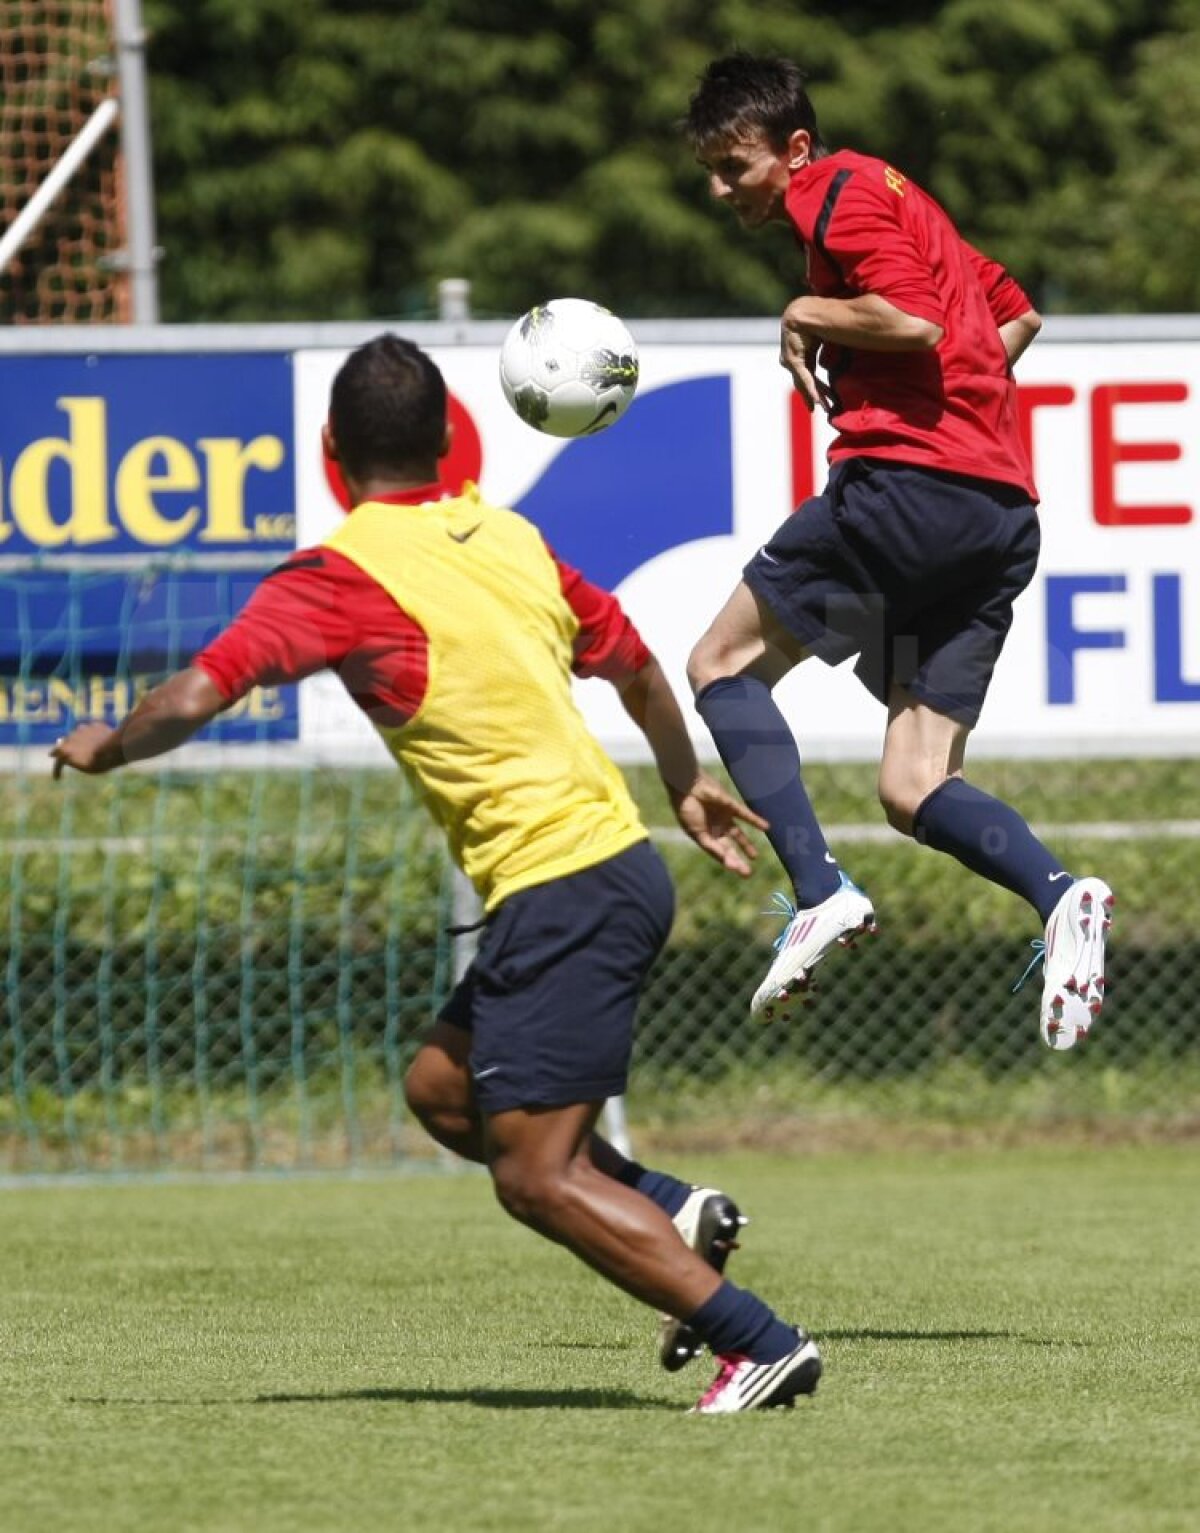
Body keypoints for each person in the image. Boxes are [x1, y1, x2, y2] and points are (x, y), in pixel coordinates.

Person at [51, 334, 822, 1414]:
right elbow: (637, 664)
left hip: (566, 888)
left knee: (534, 1175)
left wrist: (103, 744)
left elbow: (193, 696)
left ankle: (758, 1343)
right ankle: (671, 1210)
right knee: (442, 1088)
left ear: (330, 449)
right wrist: (685, 782)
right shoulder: (510, 539)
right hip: (601, 872)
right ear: (450, 440)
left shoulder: (338, 578)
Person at [682, 54, 1113, 1050]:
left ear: (793, 149)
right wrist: (959, 403)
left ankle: (818, 888)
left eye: (733, 166)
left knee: (721, 664)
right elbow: (1013, 314)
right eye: (708, 169)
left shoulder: (833, 192)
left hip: (907, 490)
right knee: (914, 784)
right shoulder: (911, 203)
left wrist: (806, 314)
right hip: (999, 514)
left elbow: (911, 321)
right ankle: (1061, 895)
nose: (721, 188)